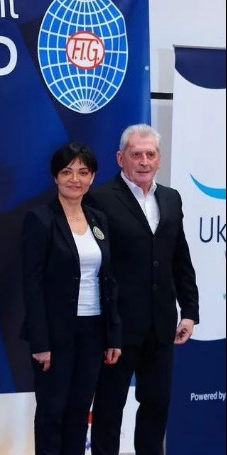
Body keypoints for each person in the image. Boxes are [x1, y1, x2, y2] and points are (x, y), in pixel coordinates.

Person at [88, 124, 200, 455]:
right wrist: (107, 323)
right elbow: (96, 265)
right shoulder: (100, 199)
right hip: (117, 327)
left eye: (150, 154)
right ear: (120, 158)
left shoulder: (171, 198)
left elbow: (180, 257)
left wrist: (189, 311)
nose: (144, 161)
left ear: (159, 159)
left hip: (161, 325)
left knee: (157, 404)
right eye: (136, 154)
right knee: (109, 409)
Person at [20, 142, 122, 455]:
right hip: (55, 333)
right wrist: (41, 342)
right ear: (56, 177)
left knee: (79, 412)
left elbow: (109, 280)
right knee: (52, 412)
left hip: (93, 330)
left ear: (92, 177)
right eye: (67, 172)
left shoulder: (98, 219)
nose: (75, 179)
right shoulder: (40, 219)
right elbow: (32, 285)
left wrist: (113, 334)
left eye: (83, 172)